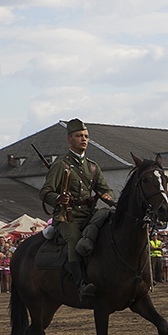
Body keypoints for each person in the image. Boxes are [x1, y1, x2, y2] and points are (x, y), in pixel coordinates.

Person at [39, 118, 114, 301]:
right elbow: (45, 192)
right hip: (67, 216)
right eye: (79, 136)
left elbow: (106, 189)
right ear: (69, 139)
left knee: (110, 224)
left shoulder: (92, 166)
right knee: (74, 240)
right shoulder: (60, 165)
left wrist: (107, 196)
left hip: (89, 213)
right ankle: (81, 284)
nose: (84, 139)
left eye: (86, 136)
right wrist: (58, 198)